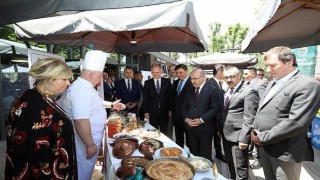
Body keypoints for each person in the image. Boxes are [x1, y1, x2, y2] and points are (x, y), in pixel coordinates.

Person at [251, 46, 320, 180]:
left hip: (285, 152)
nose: (268, 70)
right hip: (265, 147)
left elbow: (296, 122)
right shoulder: (273, 83)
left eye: (272, 65)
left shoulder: (308, 84)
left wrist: (262, 137)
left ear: (289, 62)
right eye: (267, 66)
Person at [5, 58, 77, 179]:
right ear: (49, 79)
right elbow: (36, 155)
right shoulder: (34, 108)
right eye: (64, 79)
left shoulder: (34, 96)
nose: (68, 83)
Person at [58, 50, 124, 180]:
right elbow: (80, 120)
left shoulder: (84, 86)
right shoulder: (81, 90)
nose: (100, 81)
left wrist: (111, 105)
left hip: (90, 138)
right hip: (85, 141)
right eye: (100, 77)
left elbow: (96, 103)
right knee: (82, 172)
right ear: (91, 74)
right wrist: (90, 144)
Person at [221, 65, 259, 179]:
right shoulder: (227, 90)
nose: (228, 79)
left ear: (239, 76)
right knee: (230, 163)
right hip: (225, 134)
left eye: (231, 76)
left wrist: (244, 139)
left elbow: (250, 117)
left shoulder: (249, 91)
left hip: (238, 136)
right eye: (226, 77)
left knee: (240, 168)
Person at [182, 69, 221, 162]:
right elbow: (184, 106)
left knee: (205, 155)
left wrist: (201, 119)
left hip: (205, 128)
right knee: (194, 153)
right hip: (191, 127)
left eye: (195, 78)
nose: (192, 81)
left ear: (204, 78)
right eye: (191, 79)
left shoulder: (213, 90)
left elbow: (215, 108)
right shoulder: (189, 89)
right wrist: (186, 119)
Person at [242, 66, 267, 169]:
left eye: (245, 74)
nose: (243, 76)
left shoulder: (261, 84)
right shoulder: (247, 83)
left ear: (252, 73)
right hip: (247, 117)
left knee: (256, 141)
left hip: (256, 118)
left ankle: (258, 161)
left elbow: (263, 102)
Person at [143, 64, 173, 135]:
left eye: (157, 72)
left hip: (164, 111)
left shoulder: (167, 82)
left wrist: (170, 109)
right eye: (153, 72)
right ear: (151, 72)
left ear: (161, 71)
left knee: (164, 131)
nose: (155, 74)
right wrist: (146, 111)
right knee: (153, 130)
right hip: (152, 111)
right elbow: (145, 98)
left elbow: (170, 96)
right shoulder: (147, 83)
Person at [207, 64, 227, 163]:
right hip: (211, 117)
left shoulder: (219, 83)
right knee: (209, 137)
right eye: (224, 71)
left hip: (218, 117)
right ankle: (208, 157)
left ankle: (218, 154)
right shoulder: (210, 83)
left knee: (217, 137)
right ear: (219, 71)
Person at [172, 64, 193, 148]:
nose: (179, 75)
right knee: (178, 138)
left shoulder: (192, 82)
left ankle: (188, 157)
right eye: (177, 73)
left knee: (189, 140)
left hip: (188, 116)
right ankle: (179, 155)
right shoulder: (176, 82)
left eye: (181, 72)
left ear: (186, 71)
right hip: (176, 116)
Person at [167, 64, 177, 138]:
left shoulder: (182, 81)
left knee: (179, 132)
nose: (172, 71)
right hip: (168, 111)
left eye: (174, 69)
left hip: (180, 112)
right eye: (171, 70)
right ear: (169, 72)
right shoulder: (165, 81)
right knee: (168, 131)